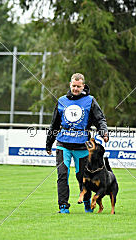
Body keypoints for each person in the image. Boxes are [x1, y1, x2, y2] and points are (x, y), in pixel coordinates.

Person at [46, 73, 109, 214]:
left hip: (82, 146)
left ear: (83, 86)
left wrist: (104, 132)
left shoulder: (90, 101)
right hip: (63, 144)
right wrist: (49, 144)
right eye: (73, 86)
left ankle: (87, 202)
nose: (75, 88)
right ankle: (63, 206)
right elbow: (54, 124)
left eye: (78, 86)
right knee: (62, 174)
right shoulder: (62, 101)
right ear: (70, 84)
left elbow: (100, 119)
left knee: (82, 177)